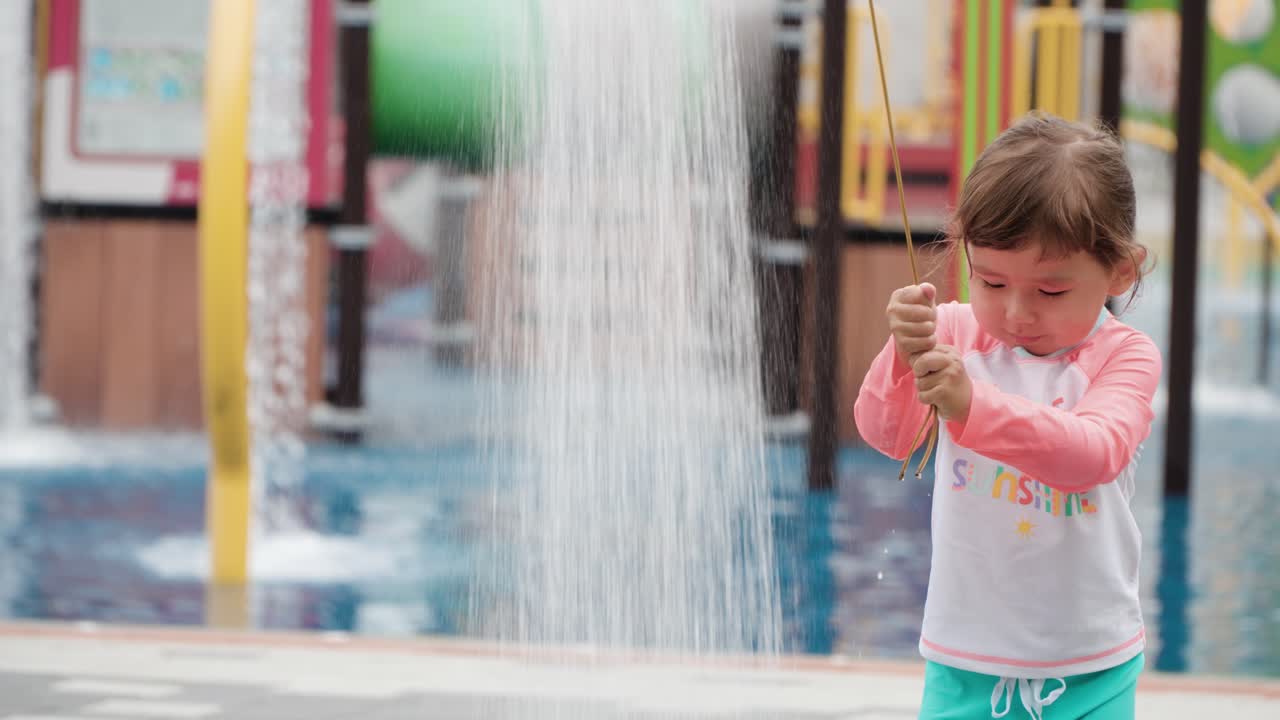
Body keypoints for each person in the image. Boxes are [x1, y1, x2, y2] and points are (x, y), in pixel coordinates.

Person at [853, 112, 1162, 720]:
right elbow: (886, 436)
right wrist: (902, 352)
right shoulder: (953, 331)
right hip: (966, 654)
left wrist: (972, 405)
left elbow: (1092, 453)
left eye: (1050, 292)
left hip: (1090, 659)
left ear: (1120, 271)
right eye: (990, 281)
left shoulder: (1124, 355)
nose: (1017, 312)